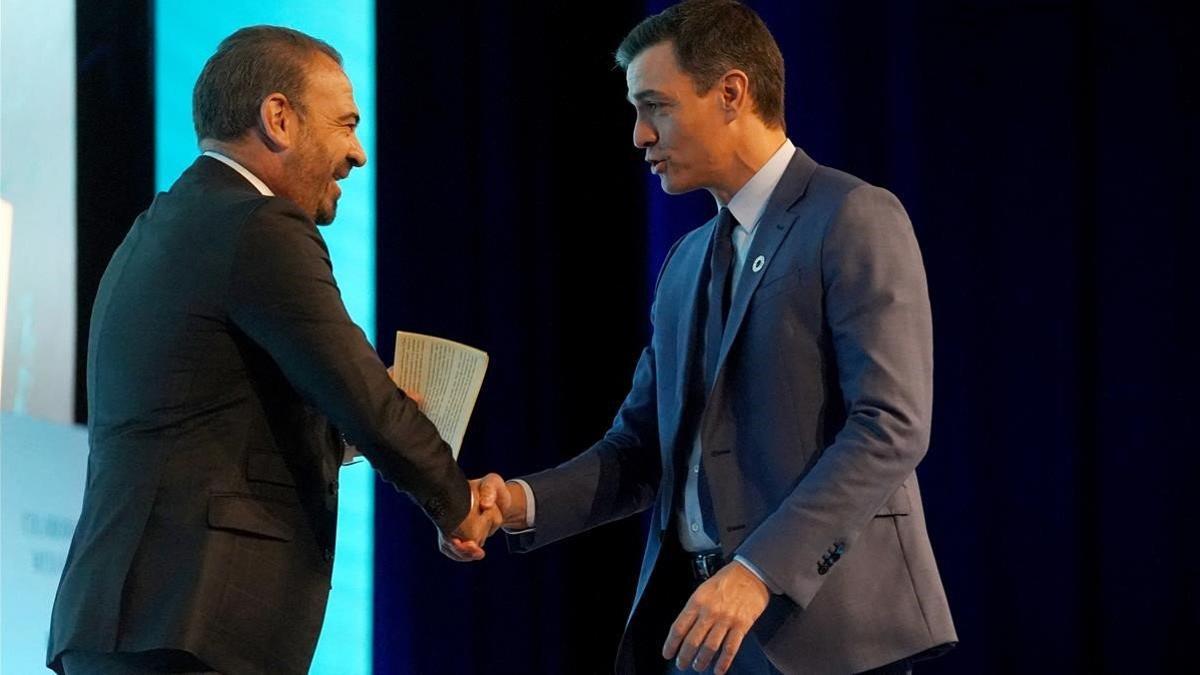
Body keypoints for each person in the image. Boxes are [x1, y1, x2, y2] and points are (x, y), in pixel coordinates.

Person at [456, 1, 957, 673]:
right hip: (702, 630)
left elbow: (890, 425)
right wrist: (517, 502)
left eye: (655, 106)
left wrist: (755, 572)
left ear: (731, 94)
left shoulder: (853, 217)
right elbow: (639, 449)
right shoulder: (686, 260)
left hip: (831, 636)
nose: (638, 135)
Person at [47, 26, 499, 675]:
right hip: (190, 624)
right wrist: (455, 504)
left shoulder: (162, 225)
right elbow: (362, 395)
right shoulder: (260, 226)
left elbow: (210, 410)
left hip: (126, 620)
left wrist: (338, 434)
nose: (358, 153)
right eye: (345, 124)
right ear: (279, 118)